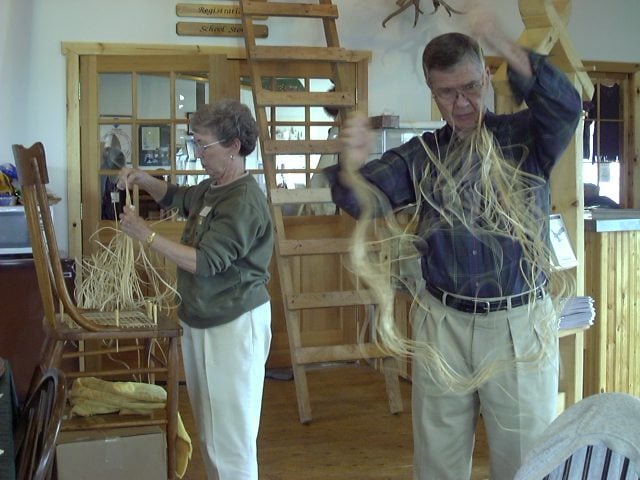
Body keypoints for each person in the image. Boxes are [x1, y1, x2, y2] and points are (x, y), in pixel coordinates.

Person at [324, 6, 582, 480]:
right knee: (437, 461)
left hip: (518, 324)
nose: (461, 103)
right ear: (432, 92)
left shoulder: (524, 139)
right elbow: (361, 199)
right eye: (447, 93)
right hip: (443, 324)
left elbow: (566, 105)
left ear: (486, 76)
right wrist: (349, 163)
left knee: (524, 461)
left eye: (470, 87)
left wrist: (505, 45)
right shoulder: (422, 156)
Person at [117, 99, 274, 480]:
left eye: (204, 146)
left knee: (232, 438)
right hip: (201, 318)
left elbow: (206, 262)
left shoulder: (244, 201)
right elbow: (177, 198)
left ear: (234, 146)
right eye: (195, 144)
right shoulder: (212, 187)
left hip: (235, 322)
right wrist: (144, 179)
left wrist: (146, 234)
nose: (198, 154)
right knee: (210, 431)